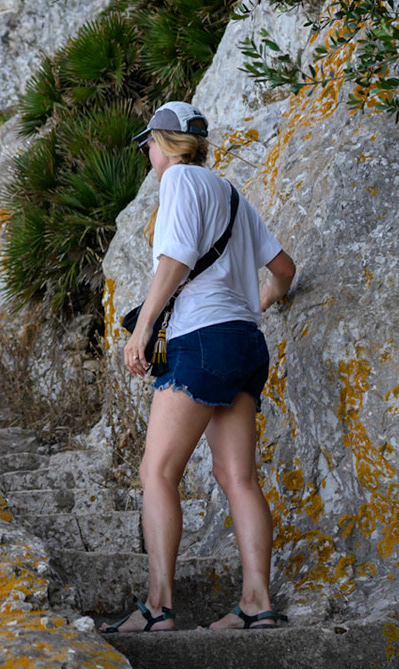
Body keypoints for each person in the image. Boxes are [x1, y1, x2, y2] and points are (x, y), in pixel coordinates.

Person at [105, 101, 297, 633]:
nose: (147, 152)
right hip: (245, 343)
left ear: (164, 144)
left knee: (157, 471)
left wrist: (142, 329)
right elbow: (284, 270)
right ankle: (257, 602)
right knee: (238, 477)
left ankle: (159, 606)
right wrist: (254, 304)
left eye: (149, 143)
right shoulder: (230, 192)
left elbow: (176, 259)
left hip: (202, 342)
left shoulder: (179, 182)